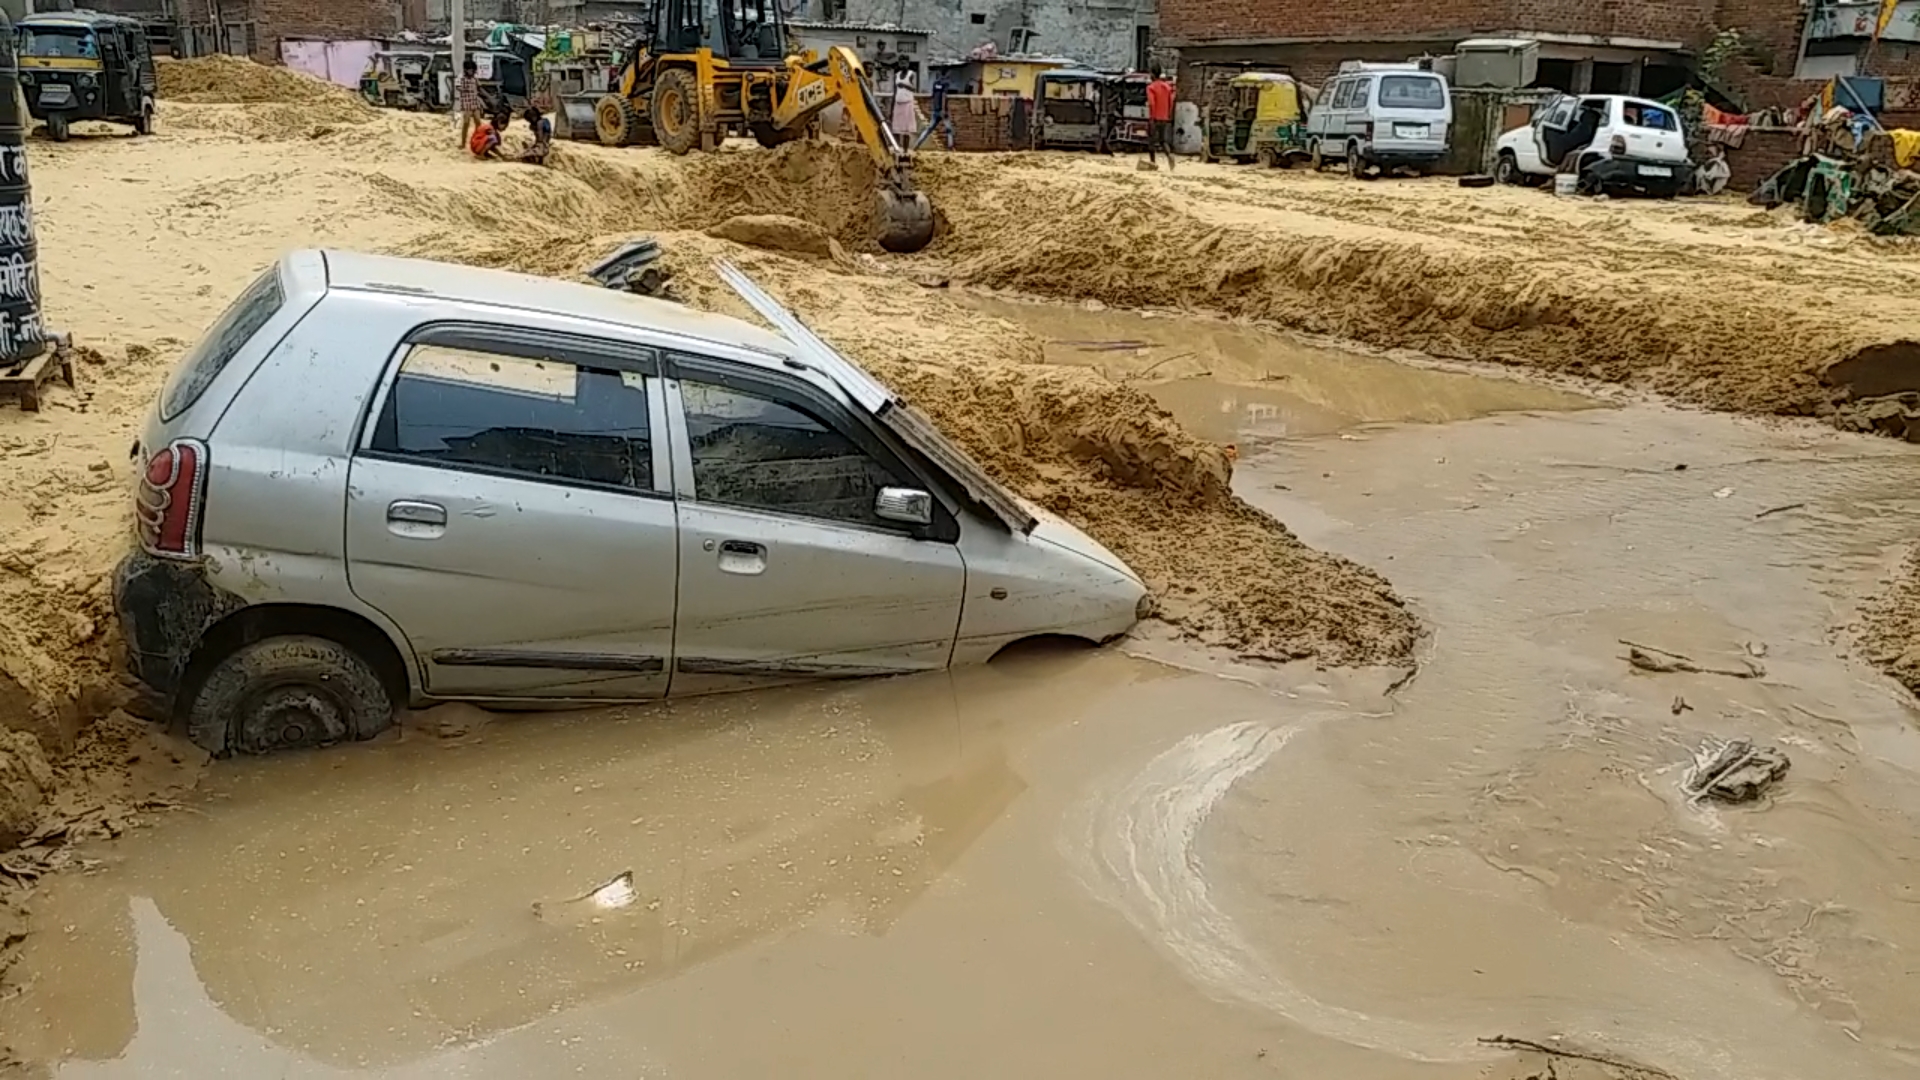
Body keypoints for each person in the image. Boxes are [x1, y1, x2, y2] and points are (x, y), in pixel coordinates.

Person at [913, 73, 955, 151]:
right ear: (946, 76)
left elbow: (933, 96)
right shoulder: (946, 83)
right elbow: (943, 96)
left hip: (935, 110)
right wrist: (943, 109)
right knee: (949, 130)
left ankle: (916, 145)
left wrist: (932, 107)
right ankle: (950, 147)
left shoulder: (935, 83)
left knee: (929, 129)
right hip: (942, 111)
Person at [1145, 65, 1175, 171]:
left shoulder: (1151, 87)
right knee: (1162, 141)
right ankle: (1169, 156)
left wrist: (1152, 117)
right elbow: (1171, 103)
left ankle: (1153, 163)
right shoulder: (1167, 87)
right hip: (1164, 117)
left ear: (1152, 74)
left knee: (1151, 141)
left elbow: (1152, 103)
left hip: (1155, 117)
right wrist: (1168, 115)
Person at [456, 58, 483, 148]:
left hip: (475, 102)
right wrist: (465, 90)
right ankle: (463, 143)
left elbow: (480, 87)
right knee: (466, 122)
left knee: (478, 123)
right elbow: (457, 86)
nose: (470, 71)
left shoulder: (475, 78)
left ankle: (476, 141)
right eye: (469, 69)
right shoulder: (461, 77)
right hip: (466, 103)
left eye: (472, 70)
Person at [890, 71, 918, 142]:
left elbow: (914, 88)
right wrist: (892, 108)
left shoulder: (911, 74)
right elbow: (895, 91)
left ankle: (905, 150)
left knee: (906, 130)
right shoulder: (897, 75)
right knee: (896, 129)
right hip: (898, 103)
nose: (903, 64)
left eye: (904, 62)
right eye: (901, 62)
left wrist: (904, 85)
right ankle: (898, 149)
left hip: (908, 104)